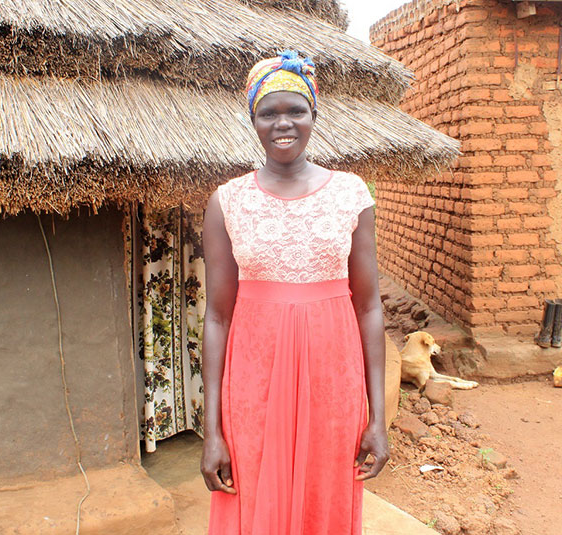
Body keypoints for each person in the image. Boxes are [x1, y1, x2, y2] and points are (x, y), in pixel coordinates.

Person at [200, 50, 388, 535]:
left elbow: (368, 306)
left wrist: (377, 418)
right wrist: (212, 430)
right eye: (269, 113)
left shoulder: (352, 194)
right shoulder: (227, 201)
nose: (283, 123)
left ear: (314, 116)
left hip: (333, 384)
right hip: (254, 385)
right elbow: (217, 318)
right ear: (253, 121)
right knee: (255, 495)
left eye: (295, 111)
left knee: (321, 498)